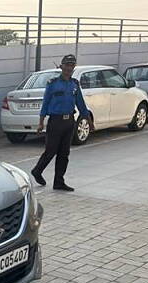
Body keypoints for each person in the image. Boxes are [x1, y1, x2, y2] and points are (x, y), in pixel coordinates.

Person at [31, 54, 94, 192]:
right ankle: (37, 170)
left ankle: (59, 181)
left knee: (64, 153)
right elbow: (46, 103)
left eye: (72, 65)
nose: (69, 68)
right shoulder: (53, 84)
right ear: (62, 66)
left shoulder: (74, 84)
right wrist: (41, 123)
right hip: (55, 121)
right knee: (51, 151)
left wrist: (88, 121)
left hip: (69, 122)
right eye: (67, 65)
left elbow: (81, 104)